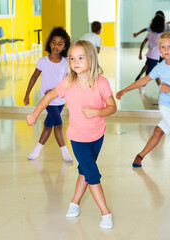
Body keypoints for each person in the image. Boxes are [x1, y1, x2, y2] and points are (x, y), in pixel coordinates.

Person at [27, 40, 117, 229]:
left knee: (85, 170)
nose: (75, 62)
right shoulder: (68, 83)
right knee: (92, 173)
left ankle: (74, 203)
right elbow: (49, 96)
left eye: (80, 58)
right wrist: (35, 114)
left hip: (98, 135)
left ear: (91, 60)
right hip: (77, 138)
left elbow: (112, 107)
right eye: (72, 58)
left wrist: (98, 112)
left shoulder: (101, 83)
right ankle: (105, 213)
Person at [116, 32, 170, 175]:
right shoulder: (159, 67)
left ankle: (140, 156)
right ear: (159, 50)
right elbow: (144, 80)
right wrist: (125, 90)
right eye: (163, 47)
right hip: (166, 105)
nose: (166, 50)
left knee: (158, 131)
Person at [24, 27, 73, 162]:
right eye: (53, 42)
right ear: (49, 43)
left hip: (60, 101)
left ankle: (36, 150)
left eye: (59, 44)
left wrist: (58, 92)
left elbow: (68, 82)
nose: (55, 46)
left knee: (48, 125)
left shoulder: (65, 63)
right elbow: (34, 77)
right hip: (48, 101)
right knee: (58, 123)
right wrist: (27, 94)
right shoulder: (43, 61)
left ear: (64, 47)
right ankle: (65, 152)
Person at [134, 11, 170, 81]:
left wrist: (140, 53)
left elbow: (143, 42)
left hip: (152, 54)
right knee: (151, 72)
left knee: (149, 67)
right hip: (155, 55)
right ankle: (143, 85)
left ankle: (139, 78)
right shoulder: (159, 34)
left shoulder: (152, 33)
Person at [137, 14, 165, 91]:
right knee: (149, 73)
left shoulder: (150, 33)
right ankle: (142, 87)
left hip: (149, 55)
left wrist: (140, 53)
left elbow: (143, 43)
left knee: (153, 72)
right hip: (155, 57)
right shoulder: (161, 35)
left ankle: (160, 87)